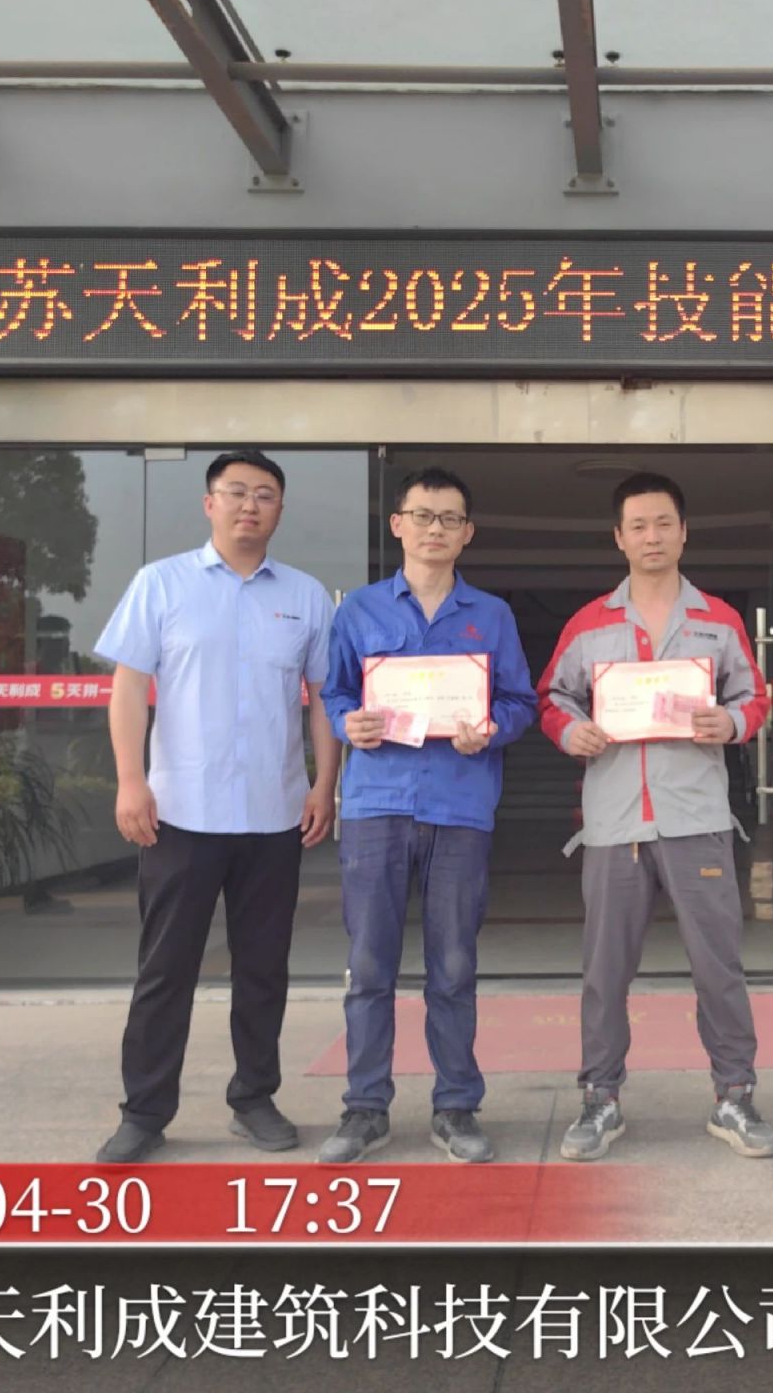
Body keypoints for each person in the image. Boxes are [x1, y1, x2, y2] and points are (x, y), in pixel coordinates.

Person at [92, 451, 338, 1163]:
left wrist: (324, 784)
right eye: (236, 492)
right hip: (180, 814)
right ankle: (144, 1112)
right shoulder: (161, 583)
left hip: (274, 814)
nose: (249, 505)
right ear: (210, 504)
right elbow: (128, 688)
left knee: (263, 969)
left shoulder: (305, 595)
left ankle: (254, 1098)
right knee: (165, 970)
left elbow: (323, 698)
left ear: (280, 511)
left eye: (265, 495)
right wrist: (130, 781)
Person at [537, 472, 773, 1160]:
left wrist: (731, 722)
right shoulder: (589, 623)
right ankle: (600, 1098)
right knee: (604, 971)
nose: (652, 536)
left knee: (718, 965)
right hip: (615, 823)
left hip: (696, 818)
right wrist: (570, 731)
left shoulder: (718, 619)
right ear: (619, 538)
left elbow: (754, 697)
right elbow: (552, 698)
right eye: (638, 526)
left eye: (664, 523)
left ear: (683, 532)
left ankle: (735, 1095)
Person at [316, 467, 537, 1165]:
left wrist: (490, 730)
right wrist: (349, 723)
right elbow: (334, 694)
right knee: (368, 965)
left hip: (460, 806)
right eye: (422, 515)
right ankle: (365, 1107)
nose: (434, 529)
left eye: (449, 518)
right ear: (398, 525)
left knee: (454, 964)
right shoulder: (358, 611)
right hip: (376, 806)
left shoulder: (491, 616)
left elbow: (520, 703)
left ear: (467, 532)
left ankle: (456, 1106)